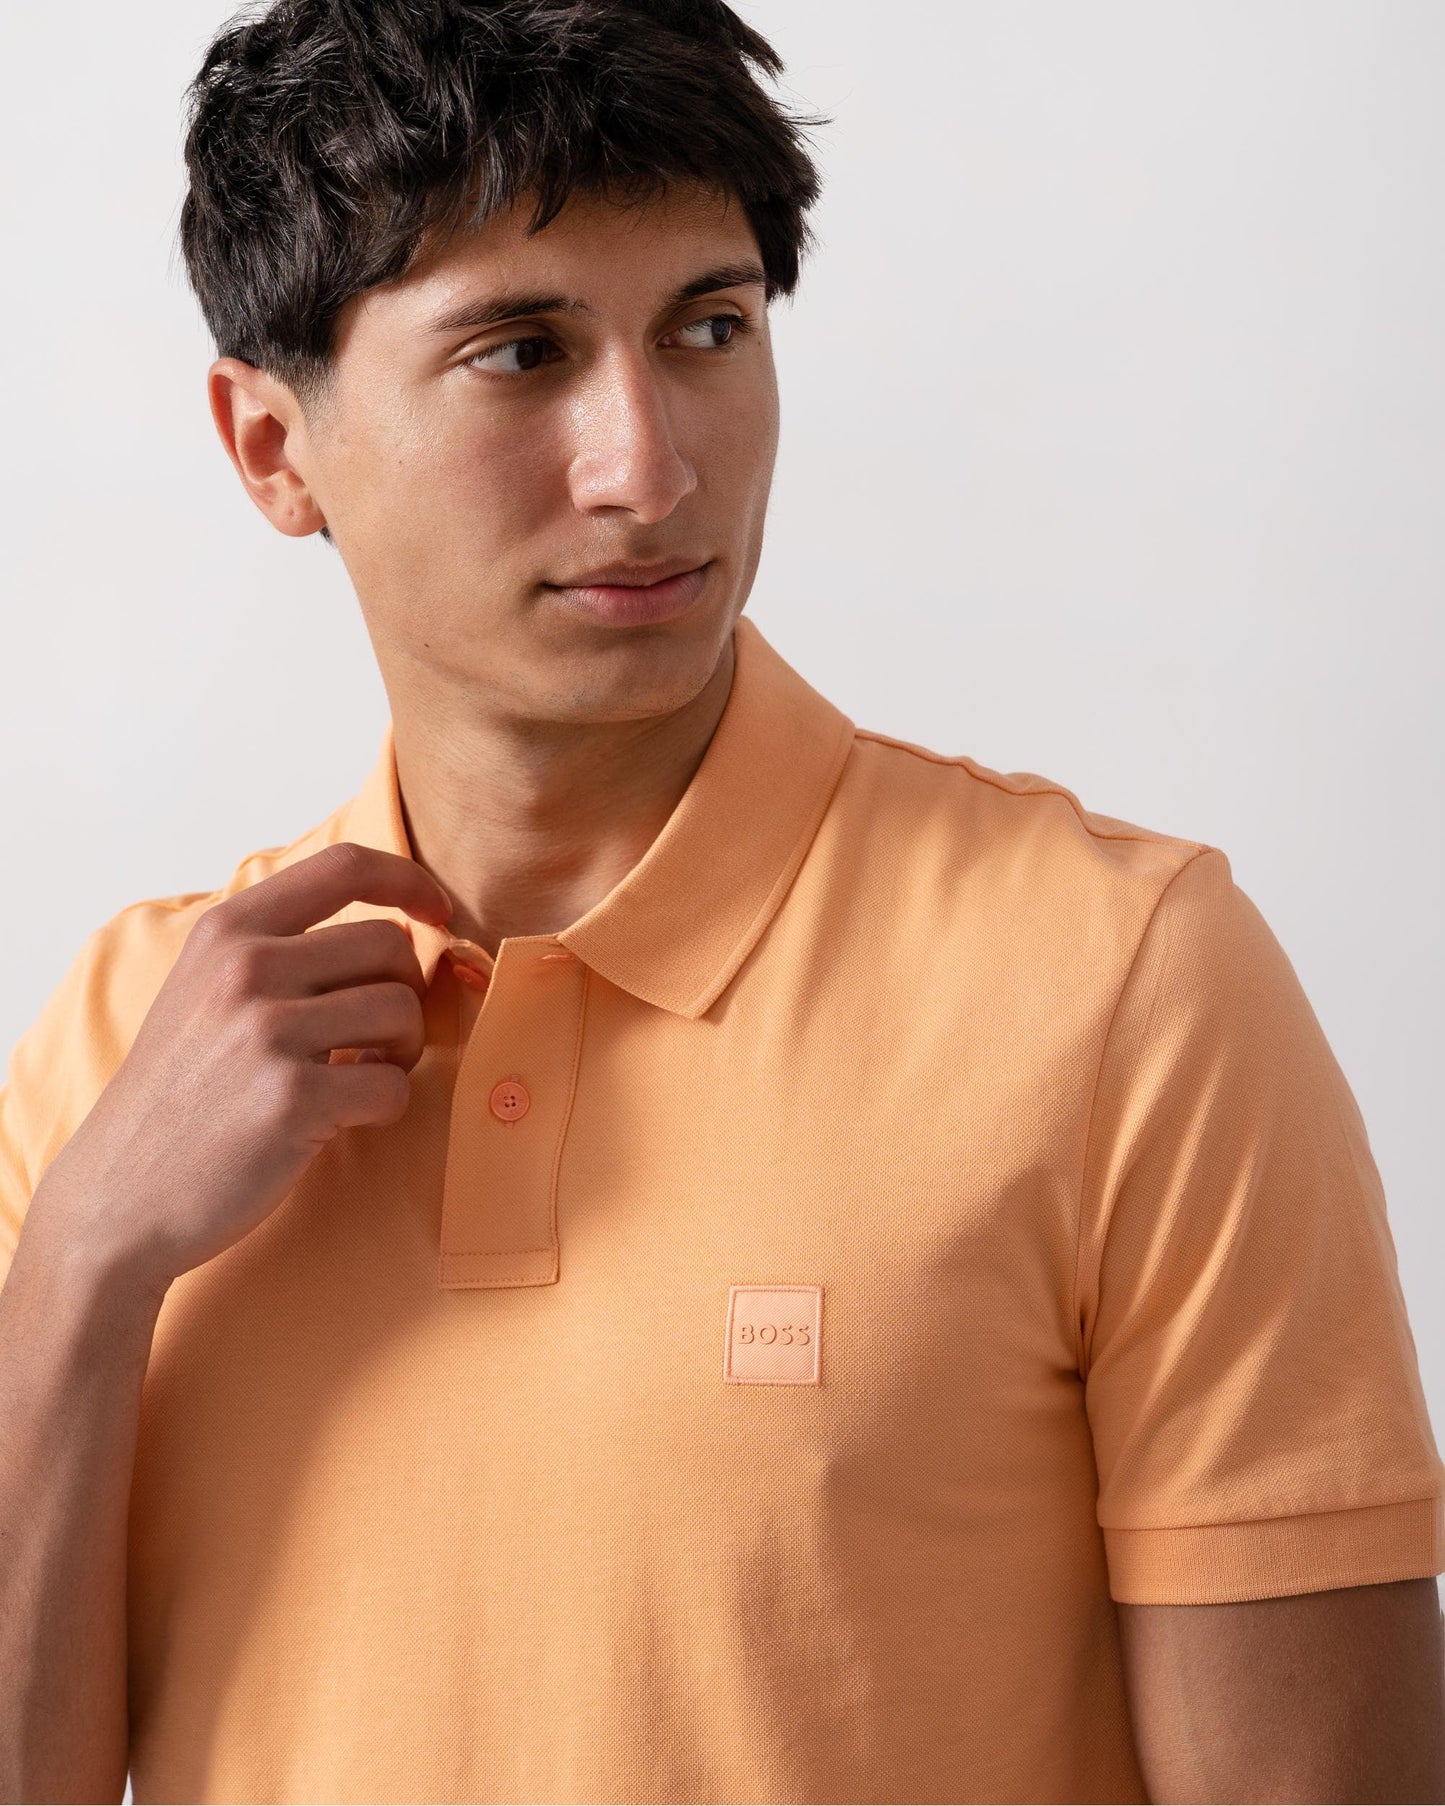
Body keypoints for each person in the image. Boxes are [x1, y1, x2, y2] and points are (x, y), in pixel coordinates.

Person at [1, 1, 1442, 1800]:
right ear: (272, 449)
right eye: (521, 352)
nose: (651, 466)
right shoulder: (121, 1044)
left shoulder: (1125, 985)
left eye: (708, 327)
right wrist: (81, 1270)